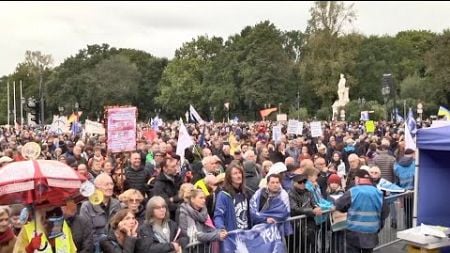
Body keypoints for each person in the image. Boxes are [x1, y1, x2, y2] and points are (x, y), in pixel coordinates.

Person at [335, 169, 389, 253]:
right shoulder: (378, 193)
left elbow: (339, 205)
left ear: (357, 179)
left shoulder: (353, 192)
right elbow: (385, 212)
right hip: (371, 231)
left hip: (354, 231)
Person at [80, 173, 121, 253]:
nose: (110, 187)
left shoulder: (116, 204)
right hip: (96, 246)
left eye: (111, 184)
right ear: (97, 188)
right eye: (106, 185)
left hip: (114, 244)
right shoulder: (87, 206)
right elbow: (86, 234)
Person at [288, 174, 322, 253]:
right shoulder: (290, 193)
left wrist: (316, 208)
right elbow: (295, 208)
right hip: (296, 224)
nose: (303, 184)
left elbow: (314, 203)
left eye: (304, 181)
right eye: (300, 182)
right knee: (298, 246)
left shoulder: (308, 192)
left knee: (311, 245)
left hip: (309, 222)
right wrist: (311, 210)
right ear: (294, 183)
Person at [214, 162, 249, 231]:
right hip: (232, 236)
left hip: (246, 234)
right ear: (229, 177)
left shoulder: (246, 193)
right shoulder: (223, 195)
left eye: (240, 173)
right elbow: (218, 215)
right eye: (235, 173)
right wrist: (221, 228)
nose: (239, 176)